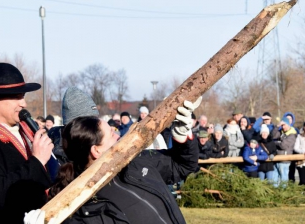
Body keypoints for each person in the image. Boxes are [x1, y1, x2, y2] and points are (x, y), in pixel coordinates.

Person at [45, 96, 202, 224]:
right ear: (96, 150)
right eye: (111, 134)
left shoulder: (136, 161)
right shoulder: (85, 205)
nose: (118, 135)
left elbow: (181, 165)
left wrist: (182, 137)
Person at [0, 63, 53, 224]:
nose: (24, 104)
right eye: (16, 97)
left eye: (23, 96)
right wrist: (36, 162)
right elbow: (0, 193)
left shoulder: (27, 130)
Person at [48, 86, 100, 166]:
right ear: (76, 125)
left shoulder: (92, 143)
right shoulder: (56, 157)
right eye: (91, 122)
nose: (96, 126)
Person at [271, 117, 297, 187]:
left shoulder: (292, 135)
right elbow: (272, 136)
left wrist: (275, 143)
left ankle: (283, 194)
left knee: (283, 180)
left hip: (284, 161)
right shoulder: (282, 132)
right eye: (282, 125)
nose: (283, 127)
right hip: (277, 159)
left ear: (288, 125)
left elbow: (283, 146)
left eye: (284, 125)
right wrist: (277, 126)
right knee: (275, 180)